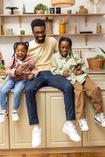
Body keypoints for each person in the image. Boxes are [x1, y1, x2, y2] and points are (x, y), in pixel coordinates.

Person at [25, 19, 81, 148]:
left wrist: (74, 66)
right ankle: (36, 128)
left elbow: (62, 55)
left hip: (53, 72)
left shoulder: (53, 41)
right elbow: (25, 62)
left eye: (42, 32)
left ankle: (69, 124)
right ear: (33, 32)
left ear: (45, 30)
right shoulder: (29, 46)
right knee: (28, 90)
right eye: (37, 32)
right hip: (37, 74)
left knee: (68, 86)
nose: (40, 34)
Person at [51, 36, 105, 132]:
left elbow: (83, 65)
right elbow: (53, 69)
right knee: (79, 92)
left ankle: (99, 115)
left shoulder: (75, 56)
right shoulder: (55, 57)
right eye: (62, 47)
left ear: (70, 48)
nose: (65, 49)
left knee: (94, 88)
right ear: (59, 47)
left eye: (67, 47)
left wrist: (81, 70)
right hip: (71, 79)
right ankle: (82, 119)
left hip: (81, 77)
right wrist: (62, 73)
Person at [0, 41, 38, 123]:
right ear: (15, 51)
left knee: (17, 91)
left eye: (23, 51)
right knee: (3, 90)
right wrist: (15, 72)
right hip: (12, 78)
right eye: (18, 50)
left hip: (23, 79)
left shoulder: (30, 60)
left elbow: (35, 69)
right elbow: (7, 70)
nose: (20, 53)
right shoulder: (13, 59)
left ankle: (15, 110)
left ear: (26, 51)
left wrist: (32, 74)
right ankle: (3, 111)